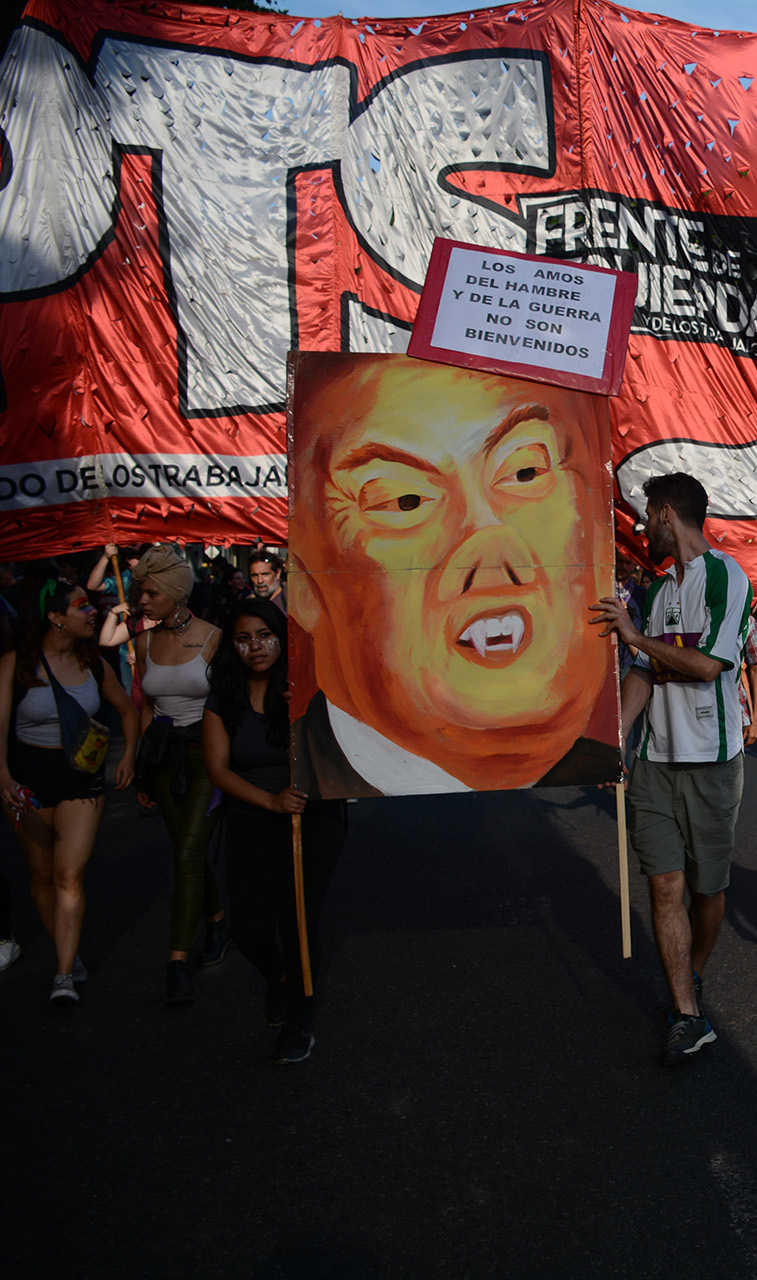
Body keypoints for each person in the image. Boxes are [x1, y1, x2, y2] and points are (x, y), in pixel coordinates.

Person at [285, 353, 619, 797]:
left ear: (598, 535)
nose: (493, 553)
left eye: (524, 472)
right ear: (306, 586)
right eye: (404, 500)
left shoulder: (601, 771)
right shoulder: (308, 785)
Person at [594, 472, 752, 1064]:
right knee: (665, 887)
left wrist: (636, 636)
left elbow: (708, 665)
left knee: (708, 891)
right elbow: (641, 671)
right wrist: (614, 738)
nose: (641, 528)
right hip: (655, 763)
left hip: (712, 762)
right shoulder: (656, 592)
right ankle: (687, 1013)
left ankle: (695, 968)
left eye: (646, 517)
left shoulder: (726, 576)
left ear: (666, 513)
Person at [202, 599, 350, 1064]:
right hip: (251, 816)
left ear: (281, 638)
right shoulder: (223, 696)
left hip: (315, 817)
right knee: (247, 929)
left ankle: (297, 1024)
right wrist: (268, 800)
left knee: (297, 922)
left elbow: (346, 753)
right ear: (233, 646)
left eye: (265, 635)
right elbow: (218, 770)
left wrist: (305, 712)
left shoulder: (308, 685)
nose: (256, 647)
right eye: (244, 639)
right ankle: (281, 978)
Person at [1, 579, 138, 1002]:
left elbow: (126, 710)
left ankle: (63, 973)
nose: (93, 611)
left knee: (68, 874)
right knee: (41, 875)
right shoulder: (15, 665)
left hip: (82, 781)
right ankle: (69, 949)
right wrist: (3, 777)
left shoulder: (95, 662)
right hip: (28, 784)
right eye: (83, 606)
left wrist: (129, 754)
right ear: (55, 617)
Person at [132, 545, 230, 1004]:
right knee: (186, 851)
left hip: (206, 758)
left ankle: (176, 961)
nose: (142, 601)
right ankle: (216, 918)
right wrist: (139, 771)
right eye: (141, 592)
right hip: (163, 761)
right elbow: (147, 710)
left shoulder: (213, 637)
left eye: (150, 592)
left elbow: (227, 706)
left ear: (175, 594)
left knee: (189, 854)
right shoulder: (143, 643)